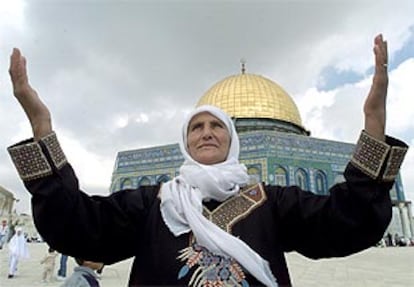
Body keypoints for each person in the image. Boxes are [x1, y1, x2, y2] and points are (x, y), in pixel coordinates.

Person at [6, 34, 408, 286]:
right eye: (196, 127)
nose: (206, 132)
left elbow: (347, 222)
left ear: (233, 140)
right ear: (186, 143)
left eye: (217, 126)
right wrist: (42, 127)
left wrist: (374, 124)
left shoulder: (270, 202)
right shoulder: (155, 202)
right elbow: (75, 226)